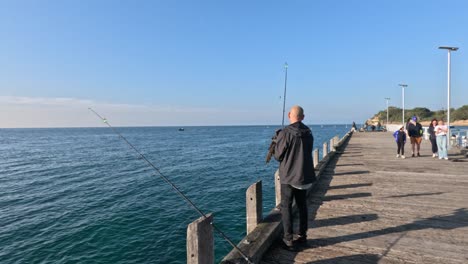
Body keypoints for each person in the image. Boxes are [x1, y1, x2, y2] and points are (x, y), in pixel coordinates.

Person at [274, 105, 316, 250]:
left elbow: (278, 156)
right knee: (302, 206)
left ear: (289, 115)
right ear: (303, 117)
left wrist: (277, 141)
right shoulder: (309, 132)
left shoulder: (285, 132)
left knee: (286, 207)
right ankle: (302, 237)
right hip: (304, 176)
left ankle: (288, 239)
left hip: (289, 176)